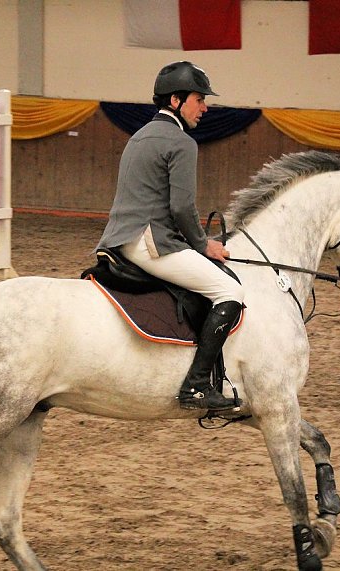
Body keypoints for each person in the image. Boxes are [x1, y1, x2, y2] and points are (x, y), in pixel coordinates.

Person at [95, 61, 245, 412]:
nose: (205, 108)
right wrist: (202, 244)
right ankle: (196, 385)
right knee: (230, 291)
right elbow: (181, 207)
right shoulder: (181, 142)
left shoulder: (139, 136)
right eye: (199, 99)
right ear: (176, 100)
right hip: (151, 242)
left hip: (120, 238)